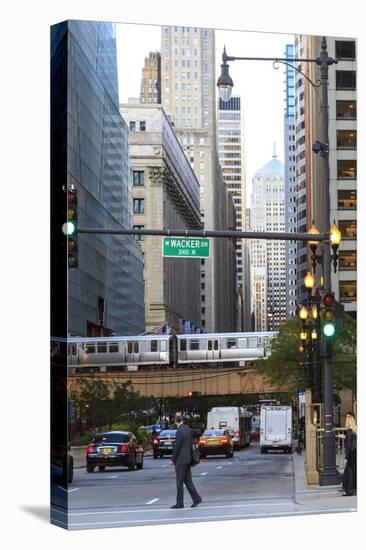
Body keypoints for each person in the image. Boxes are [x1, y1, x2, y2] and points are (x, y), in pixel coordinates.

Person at [170, 412, 202, 509]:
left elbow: (177, 447)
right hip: (188, 458)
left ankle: (180, 503)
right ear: (182, 419)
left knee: (179, 482)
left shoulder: (179, 431)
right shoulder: (188, 429)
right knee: (188, 480)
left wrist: (172, 459)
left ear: (175, 421)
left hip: (181, 460)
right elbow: (198, 432)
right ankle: (196, 499)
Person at [342, 412, 357, 496]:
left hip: (351, 454)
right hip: (355, 453)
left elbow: (349, 445)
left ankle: (349, 490)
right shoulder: (355, 430)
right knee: (354, 471)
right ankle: (352, 489)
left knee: (348, 473)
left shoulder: (349, 431)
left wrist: (346, 457)